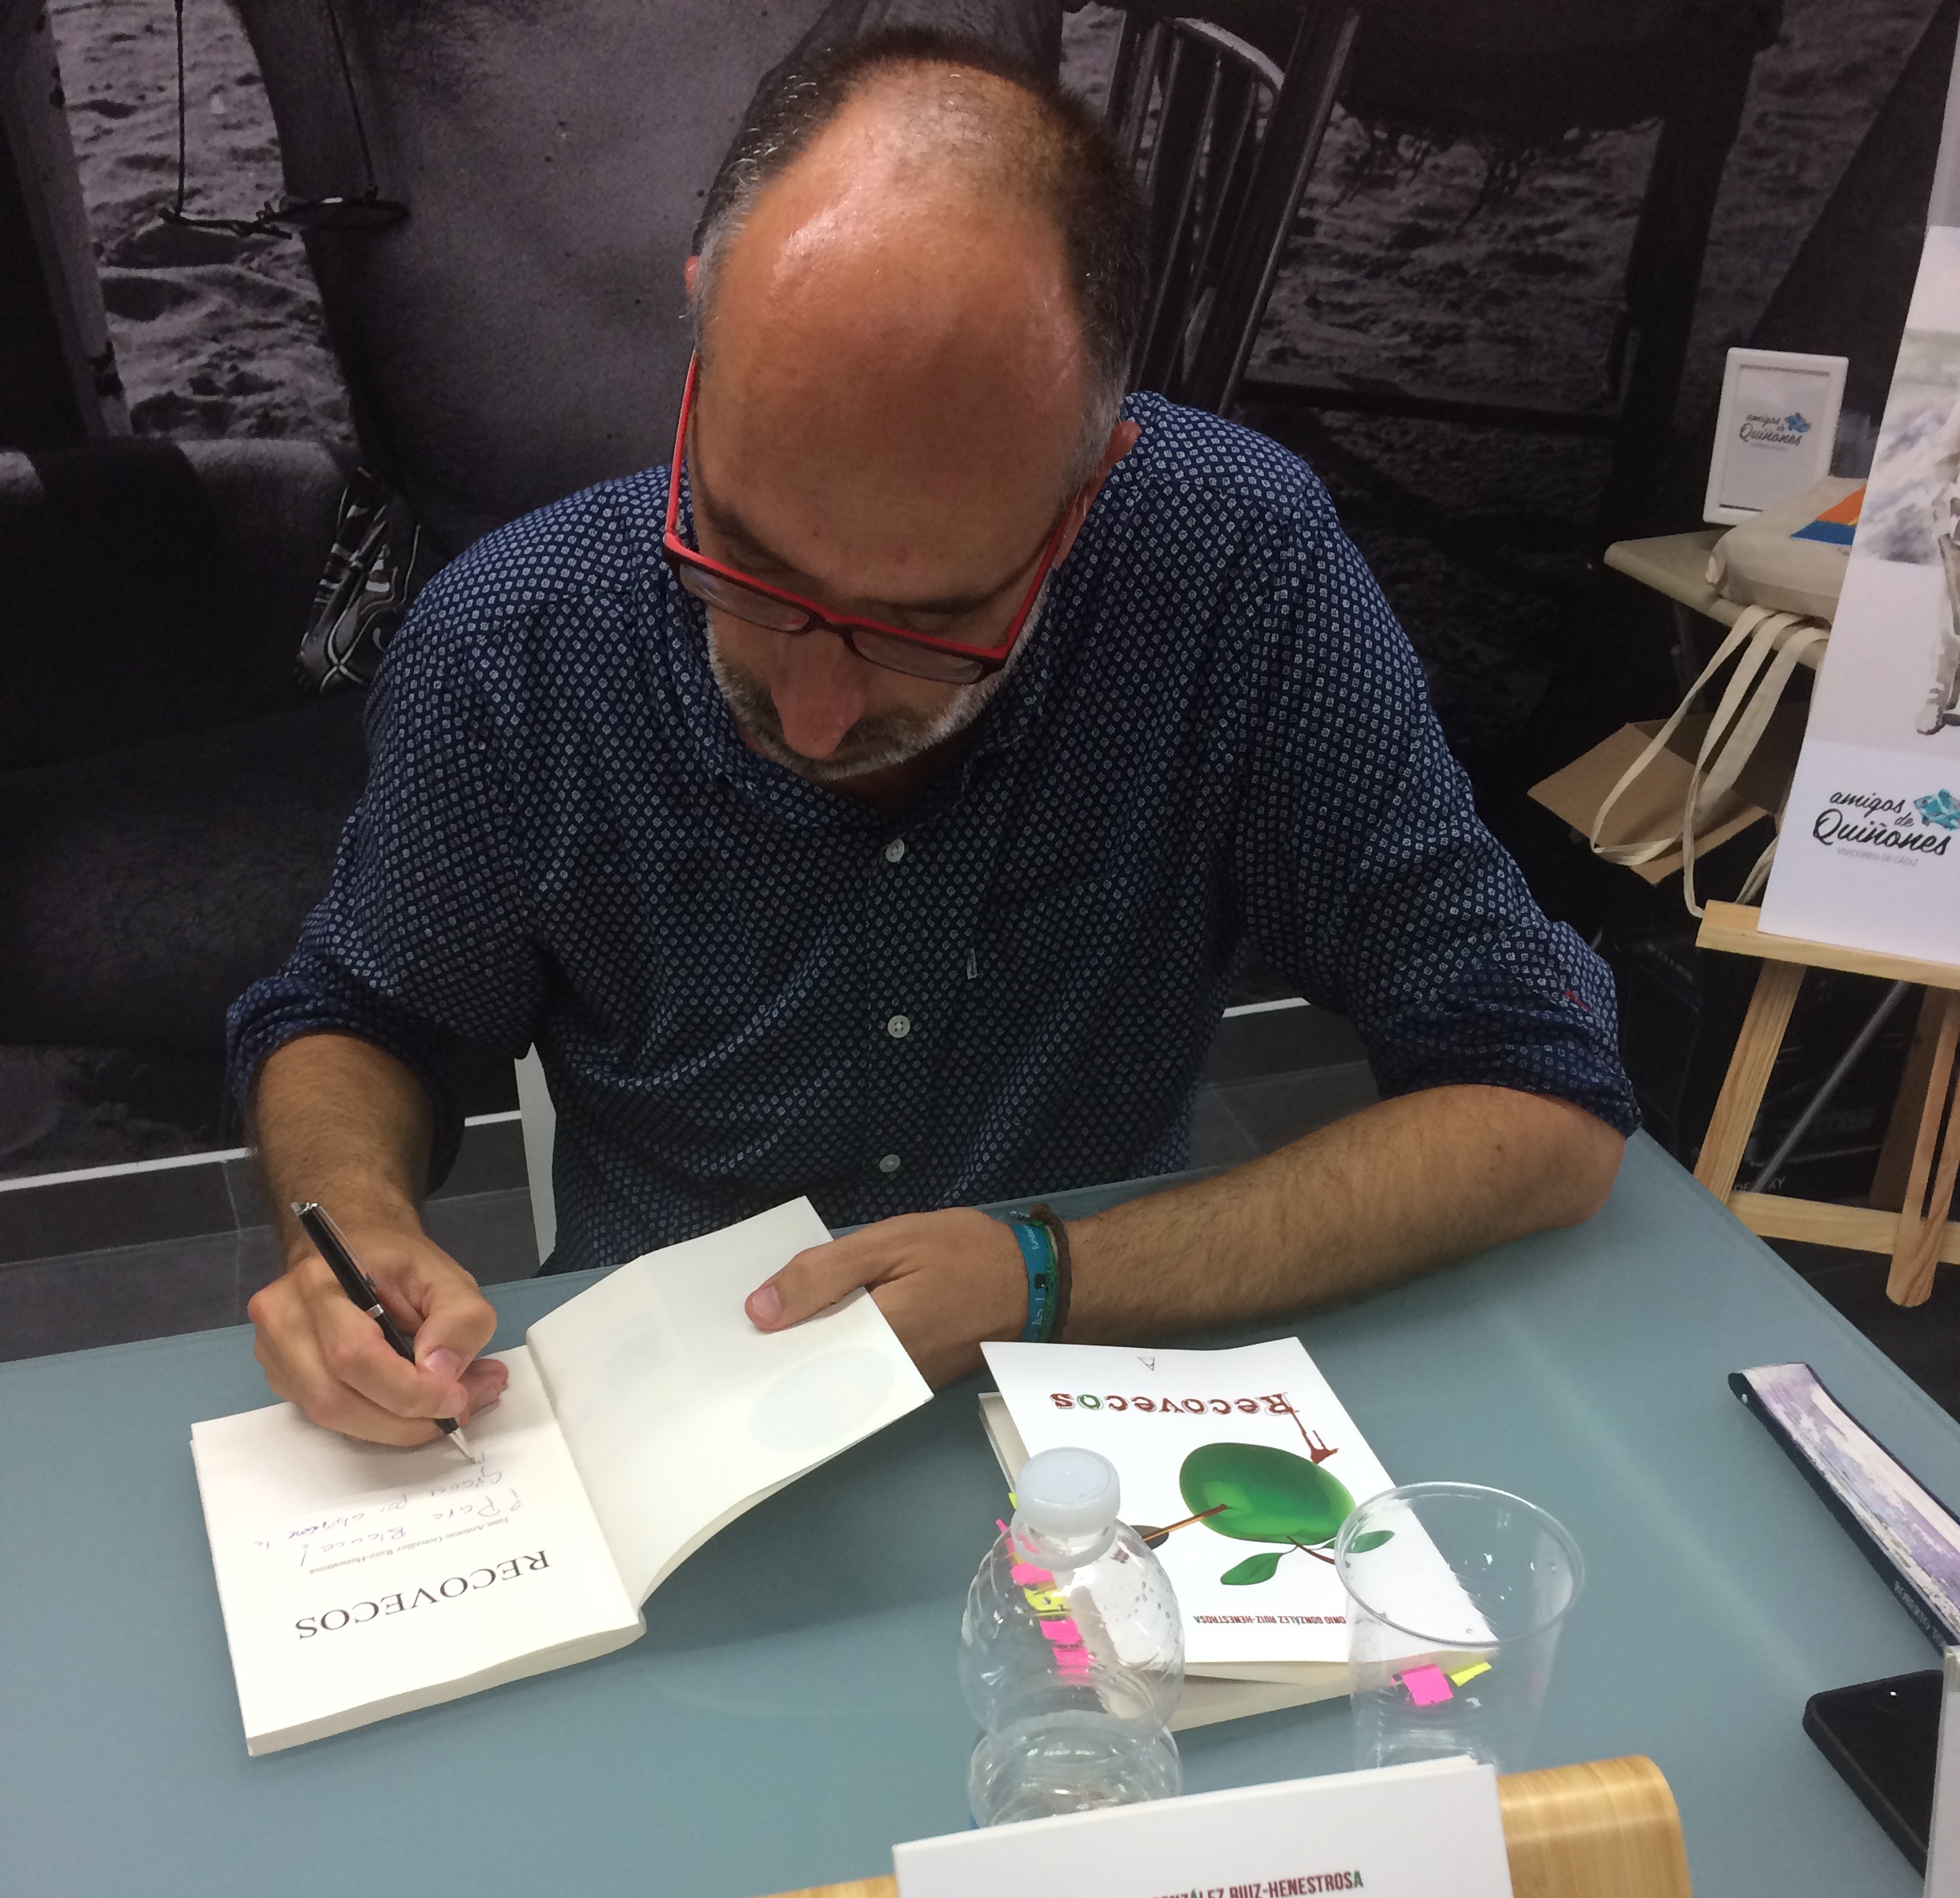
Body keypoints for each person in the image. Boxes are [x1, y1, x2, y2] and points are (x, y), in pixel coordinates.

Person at [231, 34, 1637, 1450]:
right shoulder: (515, 639)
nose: (814, 712)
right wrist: (347, 1225)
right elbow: (361, 1017)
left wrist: (1051, 1274)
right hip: (656, 1433)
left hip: (1095, 1411)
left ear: (1089, 488)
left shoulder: (1231, 570)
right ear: (700, 340)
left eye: (928, 622)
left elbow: (1540, 1096)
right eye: (749, 565)